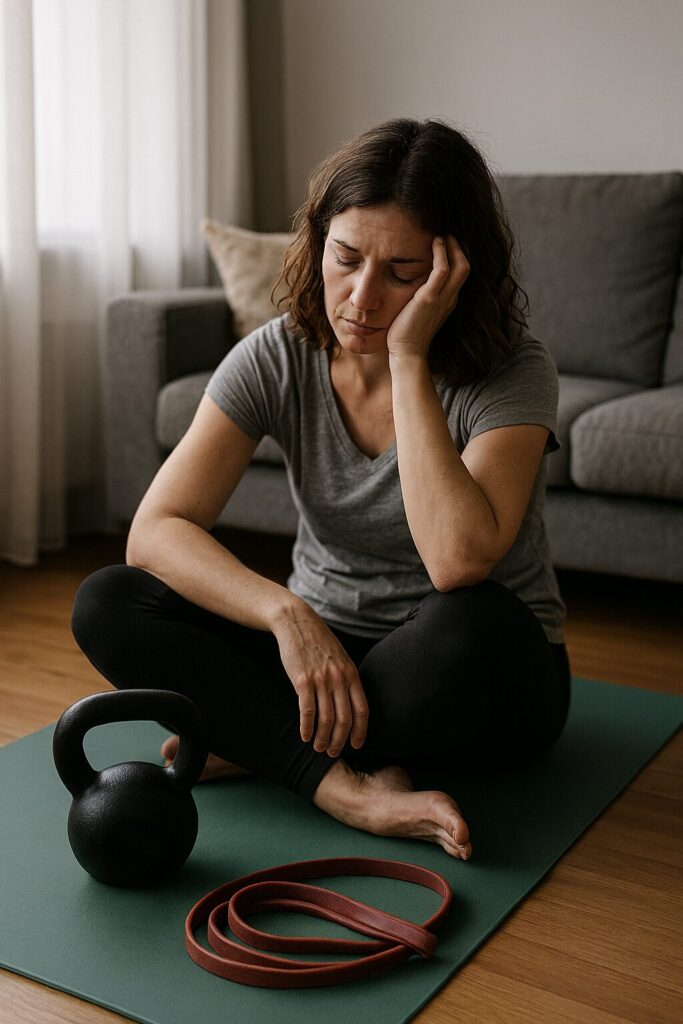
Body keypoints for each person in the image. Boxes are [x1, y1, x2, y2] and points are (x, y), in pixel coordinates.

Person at [71, 117, 571, 862]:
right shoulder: (275, 355)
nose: (361, 299)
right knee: (109, 600)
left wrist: (407, 360)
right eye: (345, 259)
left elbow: (456, 561)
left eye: (402, 273)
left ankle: (260, 739)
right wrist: (286, 612)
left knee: (476, 622)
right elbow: (157, 529)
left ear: (453, 273)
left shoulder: (511, 370)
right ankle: (344, 787)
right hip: (326, 653)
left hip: (469, 672)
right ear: (316, 244)